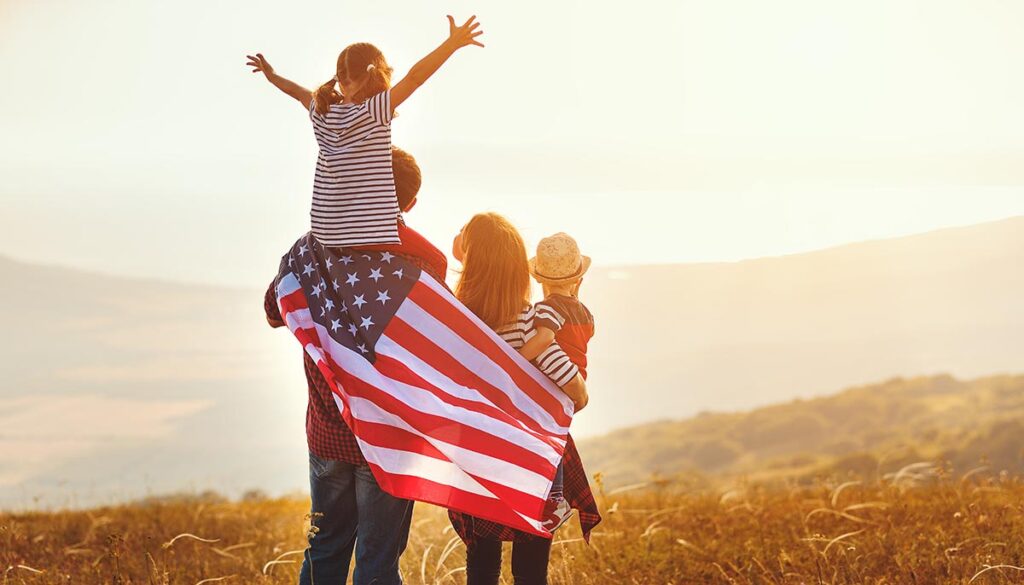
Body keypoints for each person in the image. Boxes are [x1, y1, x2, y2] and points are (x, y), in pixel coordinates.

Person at [263, 148, 444, 585]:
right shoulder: (426, 261)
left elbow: (274, 309)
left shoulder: (310, 248)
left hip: (327, 428)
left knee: (324, 548)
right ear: (410, 203)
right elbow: (437, 349)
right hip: (391, 436)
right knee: (378, 562)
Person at [448, 213, 601, 585]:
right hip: (532, 459)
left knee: (481, 566)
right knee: (530, 572)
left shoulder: (454, 322)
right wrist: (576, 396)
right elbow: (573, 388)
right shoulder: (527, 323)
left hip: (479, 454)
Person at [245, 15, 483, 248]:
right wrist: (451, 45)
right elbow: (414, 78)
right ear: (374, 72)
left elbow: (298, 92)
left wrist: (272, 76)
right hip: (365, 234)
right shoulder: (374, 110)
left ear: (339, 78)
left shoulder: (322, 111)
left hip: (325, 229)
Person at [518, 232, 595, 529]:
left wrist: (515, 361)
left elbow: (545, 338)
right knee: (558, 437)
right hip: (577, 380)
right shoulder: (585, 312)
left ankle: (556, 499)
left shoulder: (546, 310)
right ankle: (555, 497)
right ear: (578, 279)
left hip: (554, 384)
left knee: (552, 440)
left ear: (540, 279)